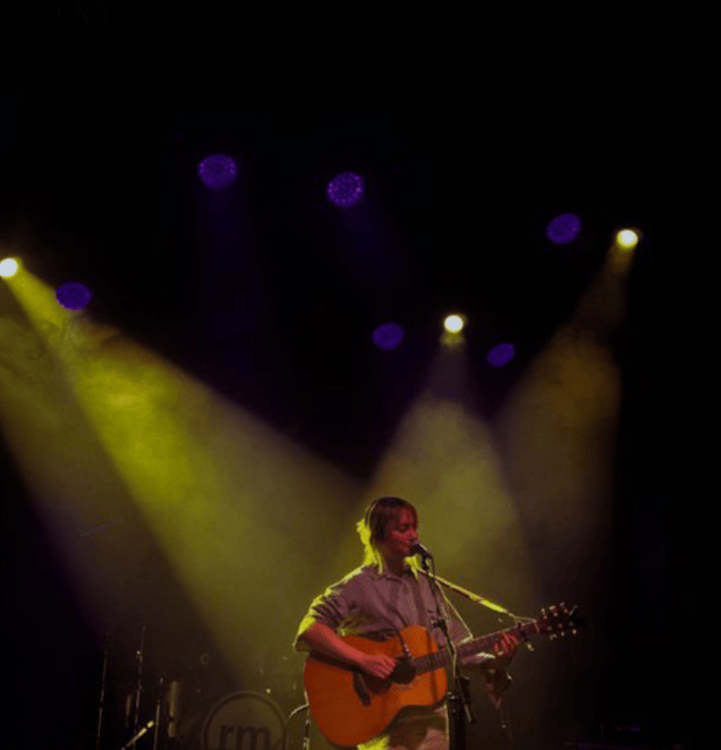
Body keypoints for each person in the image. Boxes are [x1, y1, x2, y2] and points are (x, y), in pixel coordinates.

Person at [294, 496, 520, 750]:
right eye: (403, 529)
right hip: (382, 721)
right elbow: (310, 629)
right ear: (378, 535)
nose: (414, 535)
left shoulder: (427, 584)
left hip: (432, 721)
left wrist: (495, 661)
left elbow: (458, 647)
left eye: (414, 527)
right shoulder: (359, 585)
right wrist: (363, 660)